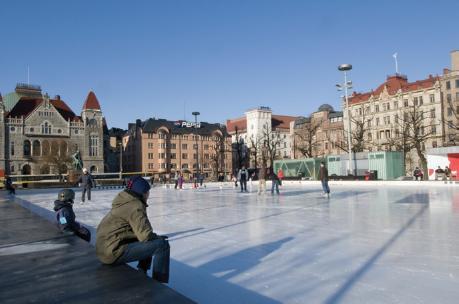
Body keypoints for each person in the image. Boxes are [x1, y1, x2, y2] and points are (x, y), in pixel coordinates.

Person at [96, 176, 170, 283]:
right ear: (142, 192)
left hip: (104, 248)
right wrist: (157, 239)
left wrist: (153, 238)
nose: (148, 195)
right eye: (147, 192)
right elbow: (145, 236)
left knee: (151, 240)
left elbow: (140, 233)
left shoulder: (125, 201)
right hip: (112, 252)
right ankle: (159, 284)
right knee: (162, 245)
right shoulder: (135, 206)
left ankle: (142, 271)